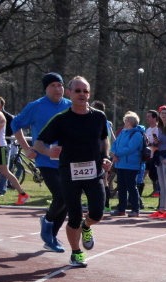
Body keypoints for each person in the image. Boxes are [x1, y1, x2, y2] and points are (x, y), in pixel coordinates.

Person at [34, 76, 112, 268]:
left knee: (97, 213)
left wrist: (105, 157)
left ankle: (87, 226)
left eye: (85, 91)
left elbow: (104, 138)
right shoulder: (61, 119)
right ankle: (76, 253)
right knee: (74, 216)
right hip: (69, 174)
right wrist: (48, 151)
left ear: (89, 94)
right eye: (78, 91)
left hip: (94, 172)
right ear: (69, 93)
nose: (82, 94)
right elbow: (38, 143)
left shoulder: (99, 117)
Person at [12, 72, 73, 253]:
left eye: (60, 85)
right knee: (61, 196)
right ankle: (47, 222)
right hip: (45, 159)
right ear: (46, 88)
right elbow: (15, 124)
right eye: (53, 85)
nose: (57, 89)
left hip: (67, 160)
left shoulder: (70, 105)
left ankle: (51, 237)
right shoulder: (36, 106)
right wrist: (27, 148)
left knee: (68, 200)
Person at [110, 111, 146, 217]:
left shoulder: (137, 134)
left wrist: (116, 153)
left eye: (125, 120)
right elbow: (115, 143)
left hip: (131, 164)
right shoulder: (123, 132)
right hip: (120, 163)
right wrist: (113, 153)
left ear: (130, 122)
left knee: (131, 187)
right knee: (121, 187)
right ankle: (121, 209)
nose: (124, 122)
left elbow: (131, 148)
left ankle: (135, 209)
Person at [143, 109, 160, 198]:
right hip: (148, 155)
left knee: (154, 173)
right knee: (147, 172)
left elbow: (159, 143)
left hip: (155, 155)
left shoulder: (158, 129)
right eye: (147, 116)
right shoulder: (148, 130)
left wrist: (152, 144)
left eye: (149, 116)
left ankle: (157, 190)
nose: (147, 118)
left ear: (155, 118)